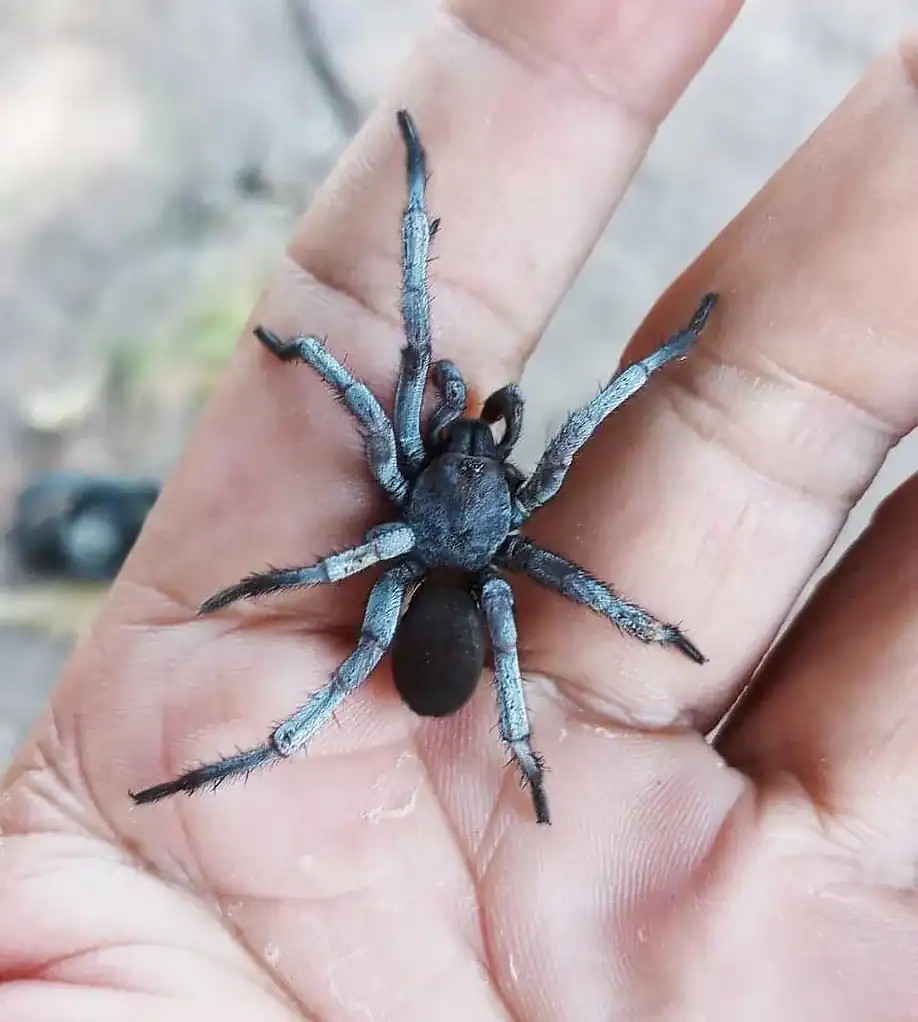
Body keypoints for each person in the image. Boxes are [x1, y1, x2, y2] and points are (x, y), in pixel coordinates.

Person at [3, 0, 918, 1017]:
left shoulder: (417, 498)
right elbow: (446, 413)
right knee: (416, 609)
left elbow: (390, 429)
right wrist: (311, 366)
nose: (469, 439)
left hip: (426, 578)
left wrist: (309, 403)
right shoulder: (485, 518)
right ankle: (297, 733)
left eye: (468, 440)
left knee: (398, 613)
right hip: (447, 582)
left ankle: (165, 594)